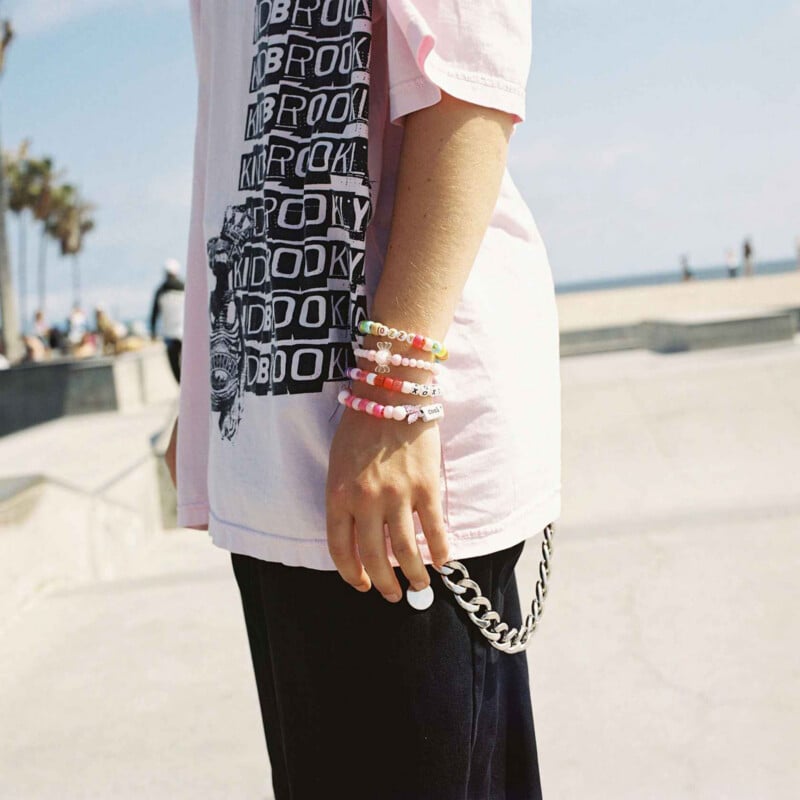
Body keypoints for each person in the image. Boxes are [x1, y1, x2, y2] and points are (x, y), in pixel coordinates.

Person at [166, 2, 561, 798]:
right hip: (279, 457)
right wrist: (207, 390)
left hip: (392, 456)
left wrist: (393, 392)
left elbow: (469, 84)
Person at [149, 258, 185, 382]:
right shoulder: (184, 288)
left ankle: (182, 388)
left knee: (175, 366)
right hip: (184, 333)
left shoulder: (160, 291)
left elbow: (154, 314)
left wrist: (153, 332)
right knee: (189, 363)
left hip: (169, 335)